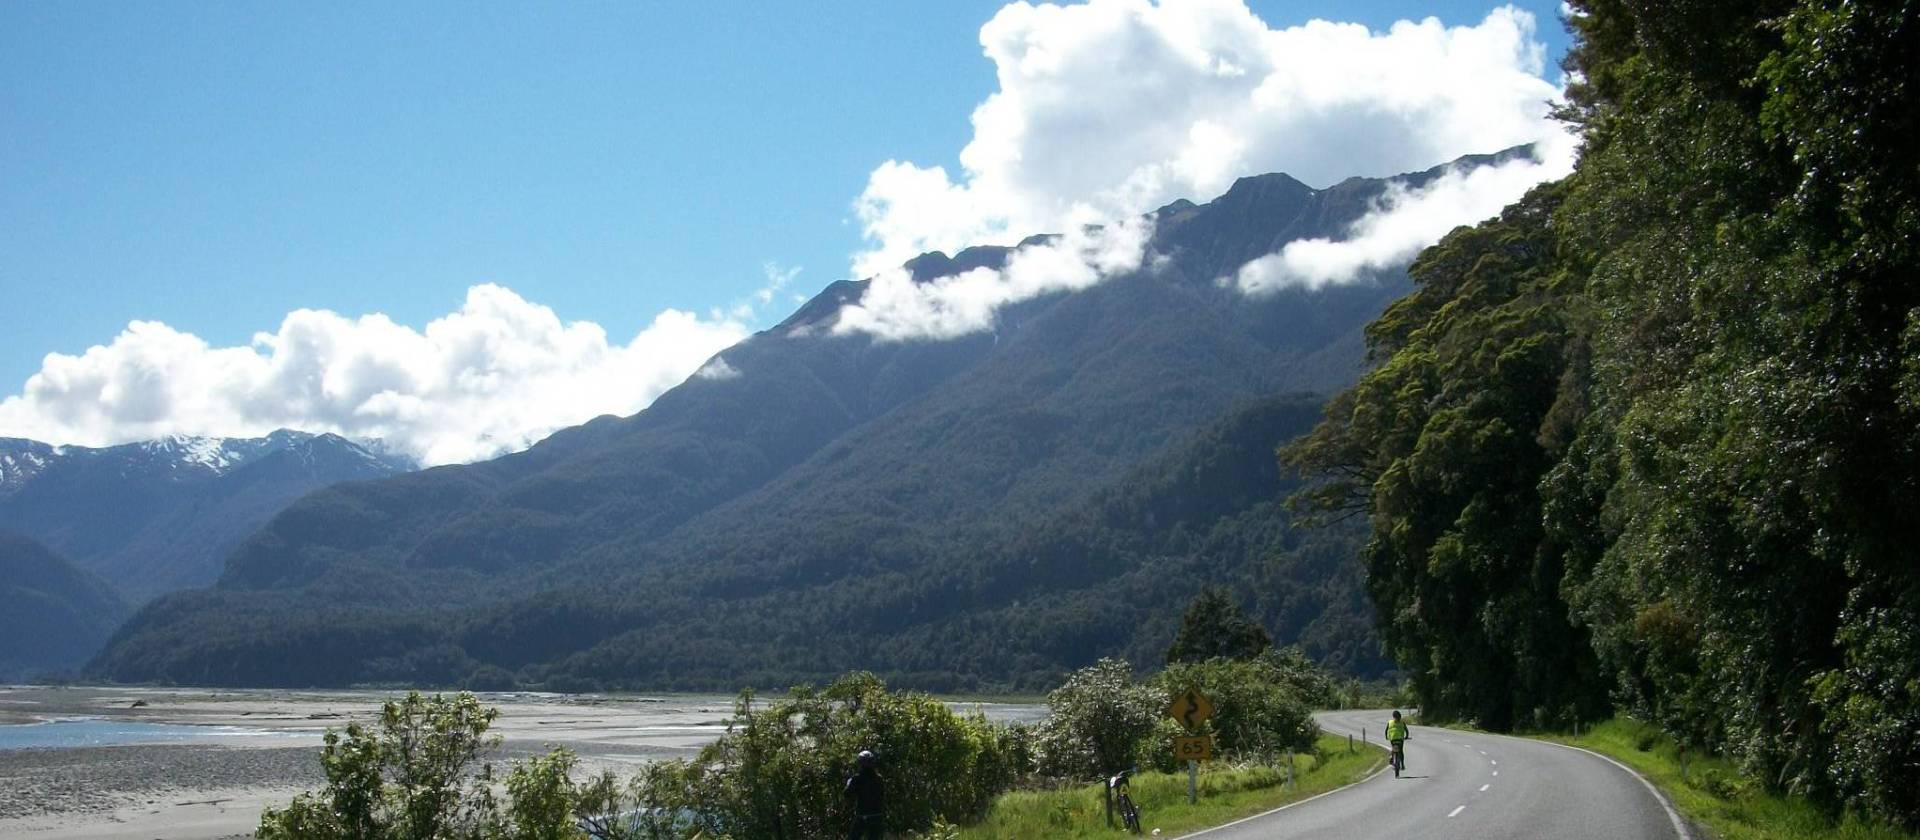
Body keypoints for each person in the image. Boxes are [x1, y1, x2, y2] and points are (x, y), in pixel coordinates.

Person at [845, 749, 884, 840]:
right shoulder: (879, 778)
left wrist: (848, 783)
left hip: (862, 816)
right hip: (877, 815)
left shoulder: (857, 778)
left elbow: (846, 794)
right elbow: (882, 795)